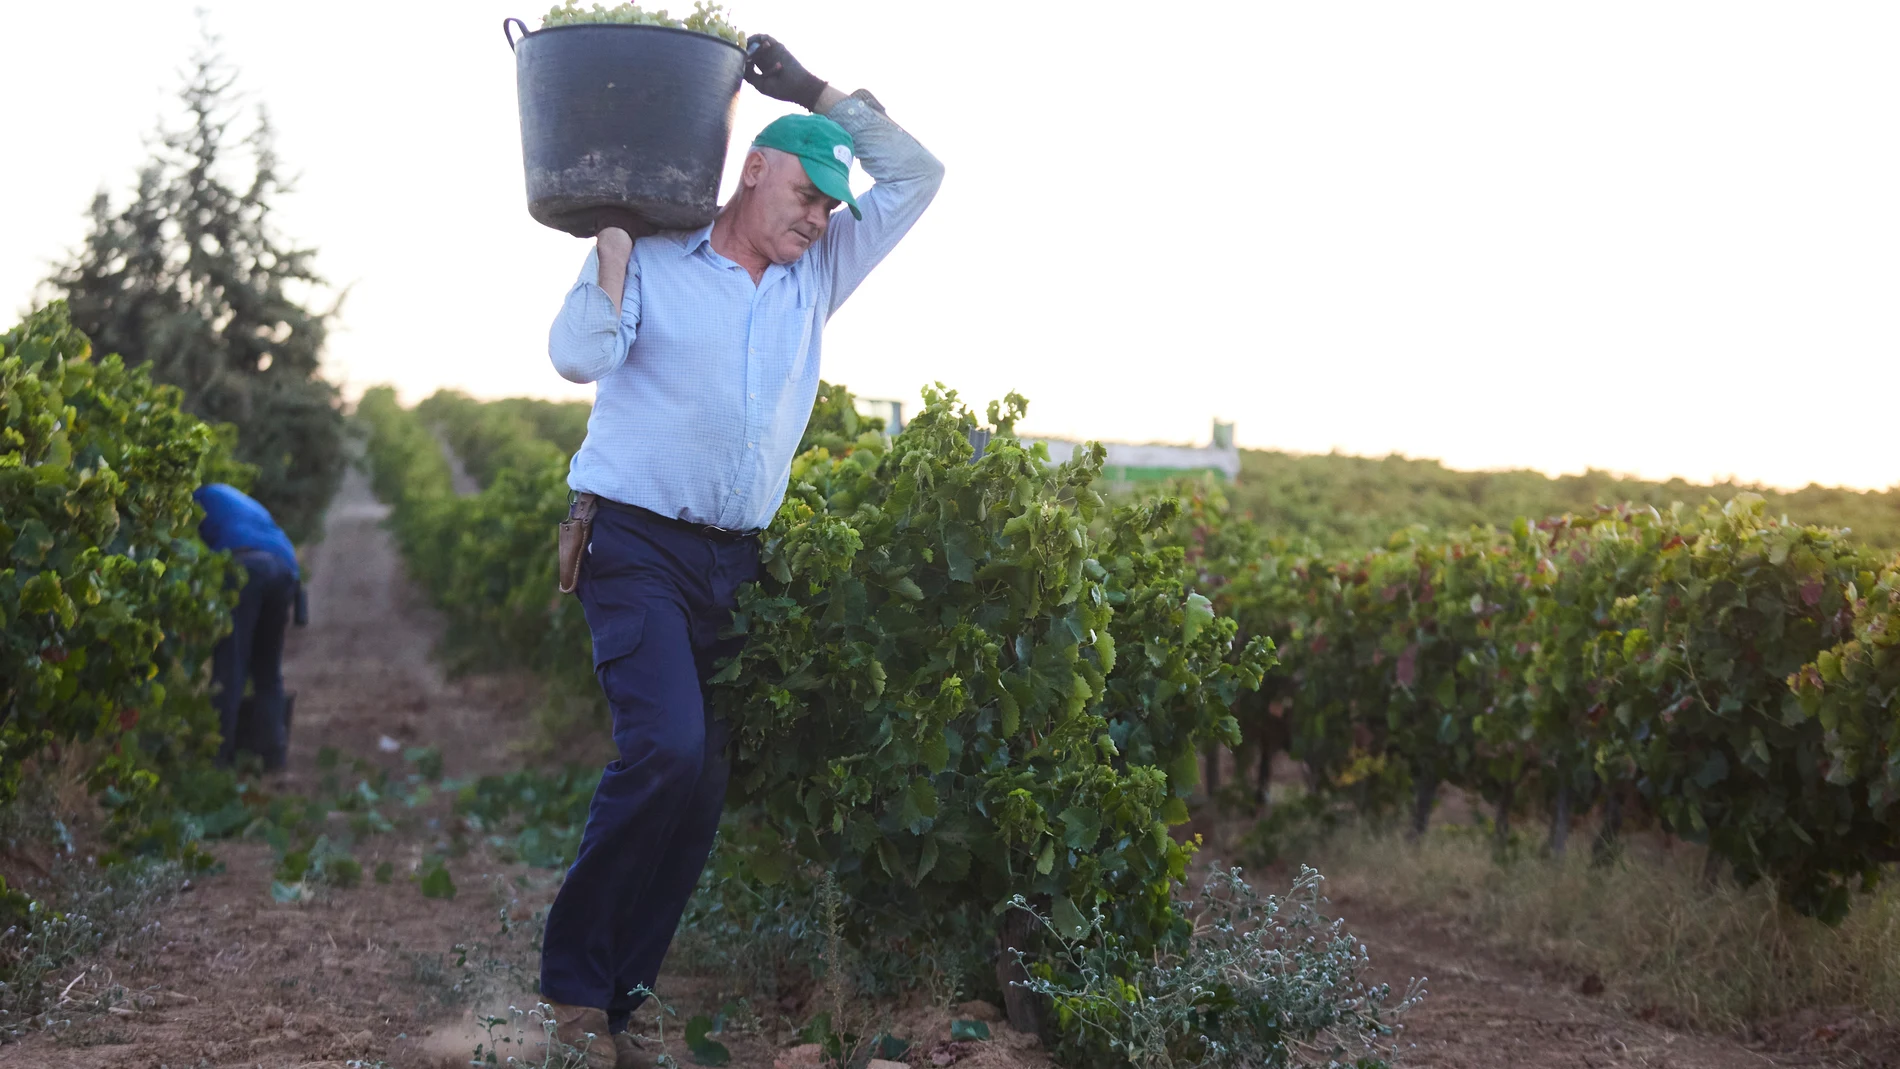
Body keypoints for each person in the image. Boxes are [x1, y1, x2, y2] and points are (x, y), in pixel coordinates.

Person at [538, 32, 943, 1069]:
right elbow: (580, 355)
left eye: (828, 207)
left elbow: (917, 172)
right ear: (753, 169)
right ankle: (574, 994)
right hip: (630, 543)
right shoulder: (662, 262)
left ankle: (621, 1010)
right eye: (807, 193)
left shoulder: (817, 277)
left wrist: (809, 88)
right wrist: (616, 243)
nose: (819, 219)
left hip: (734, 565)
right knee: (664, 749)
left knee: (702, 786)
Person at [194, 483, 300, 772]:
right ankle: (273, 755)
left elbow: (187, 558)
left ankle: (219, 759)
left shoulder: (196, 501)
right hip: (284, 569)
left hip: (245, 567)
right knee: (267, 668)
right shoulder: (243, 503)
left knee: (231, 666)